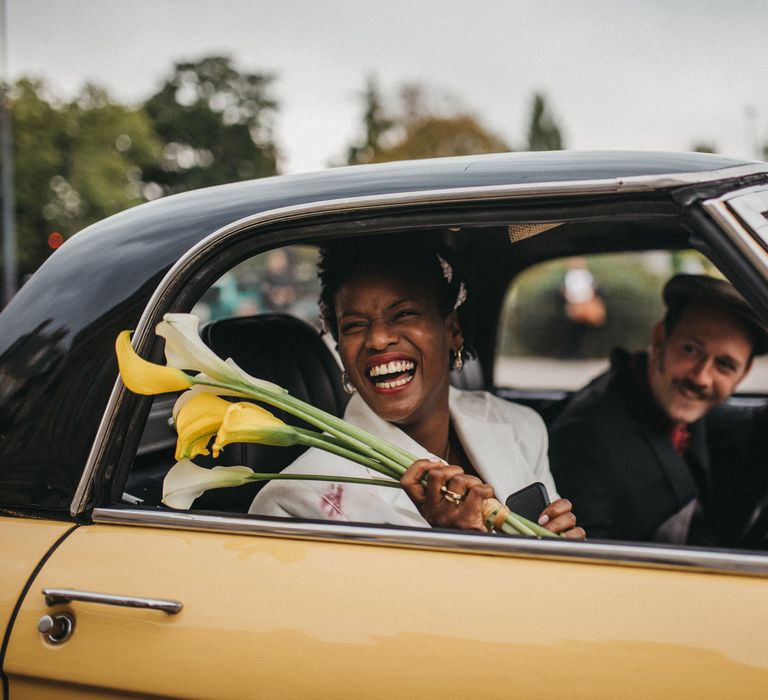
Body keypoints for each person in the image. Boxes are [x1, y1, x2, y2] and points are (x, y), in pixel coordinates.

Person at [250, 236, 584, 537]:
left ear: (452, 330)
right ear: (340, 349)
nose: (379, 339)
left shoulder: (520, 425)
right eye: (354, 325)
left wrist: (562, 547)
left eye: (405, 314)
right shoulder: (300, 497)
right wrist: (444, 543)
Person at [548, 273, 768, 545]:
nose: (701, 377)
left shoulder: (677, 402)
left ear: (743, 373)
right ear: (661, 339)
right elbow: (584, 564)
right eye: (690, 349)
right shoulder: (585, 439)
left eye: (725, 364)